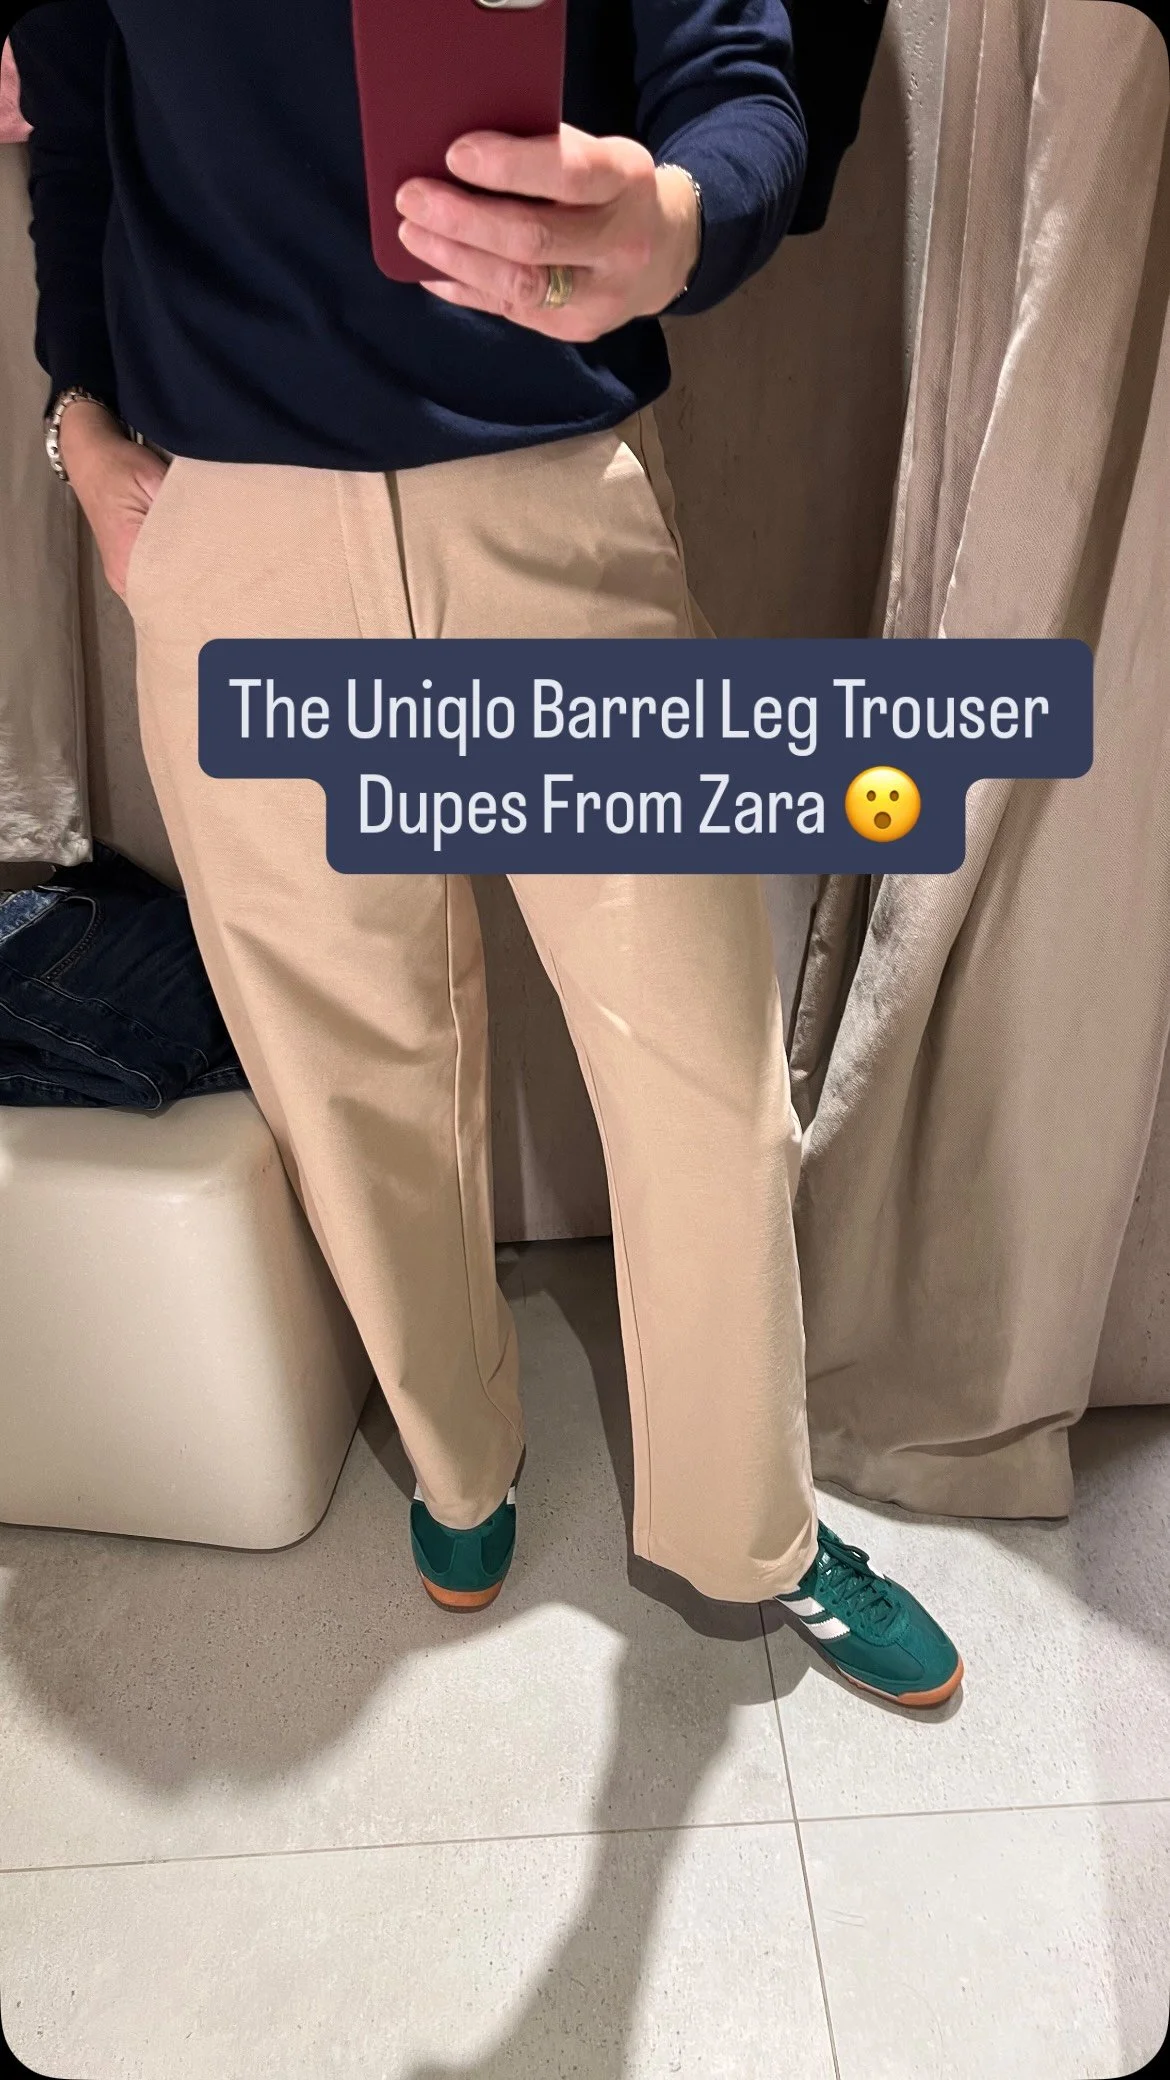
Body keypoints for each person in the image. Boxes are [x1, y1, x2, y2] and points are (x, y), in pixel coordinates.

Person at [11, 0, 963, 1708]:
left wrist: (678, 222)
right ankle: (460, 1465)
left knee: (694, 1073)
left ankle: (755, 1531)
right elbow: (79, 130)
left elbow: (734, 76)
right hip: (235, 534)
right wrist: (78, 414)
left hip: (543, 500)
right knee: (348, 1074)